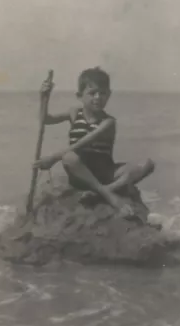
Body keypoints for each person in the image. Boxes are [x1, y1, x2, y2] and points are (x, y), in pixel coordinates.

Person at [33, 67, 155, 215]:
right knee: (69, 157)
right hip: (81, 173)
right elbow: (45, 119)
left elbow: (82, 142)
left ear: (109, 95)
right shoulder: (74, 113)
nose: (98, 97)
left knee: (147, 164)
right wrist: (43, 97)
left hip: (105, 172)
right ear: (80, 96)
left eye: (102, 93)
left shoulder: (108, 122)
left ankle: (102, 191)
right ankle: (109, 194)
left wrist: (53, 158)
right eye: (92, 93)